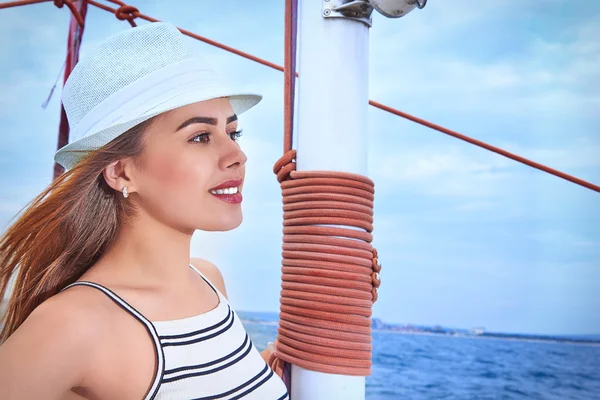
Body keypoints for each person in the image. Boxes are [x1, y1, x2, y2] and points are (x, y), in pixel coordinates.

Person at [0, 22, 288, 400]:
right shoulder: (72, 326)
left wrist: (337, 294)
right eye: (200, 136)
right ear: (122, 171)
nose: (238, 156)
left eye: (232, 133)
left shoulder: (209, 281)